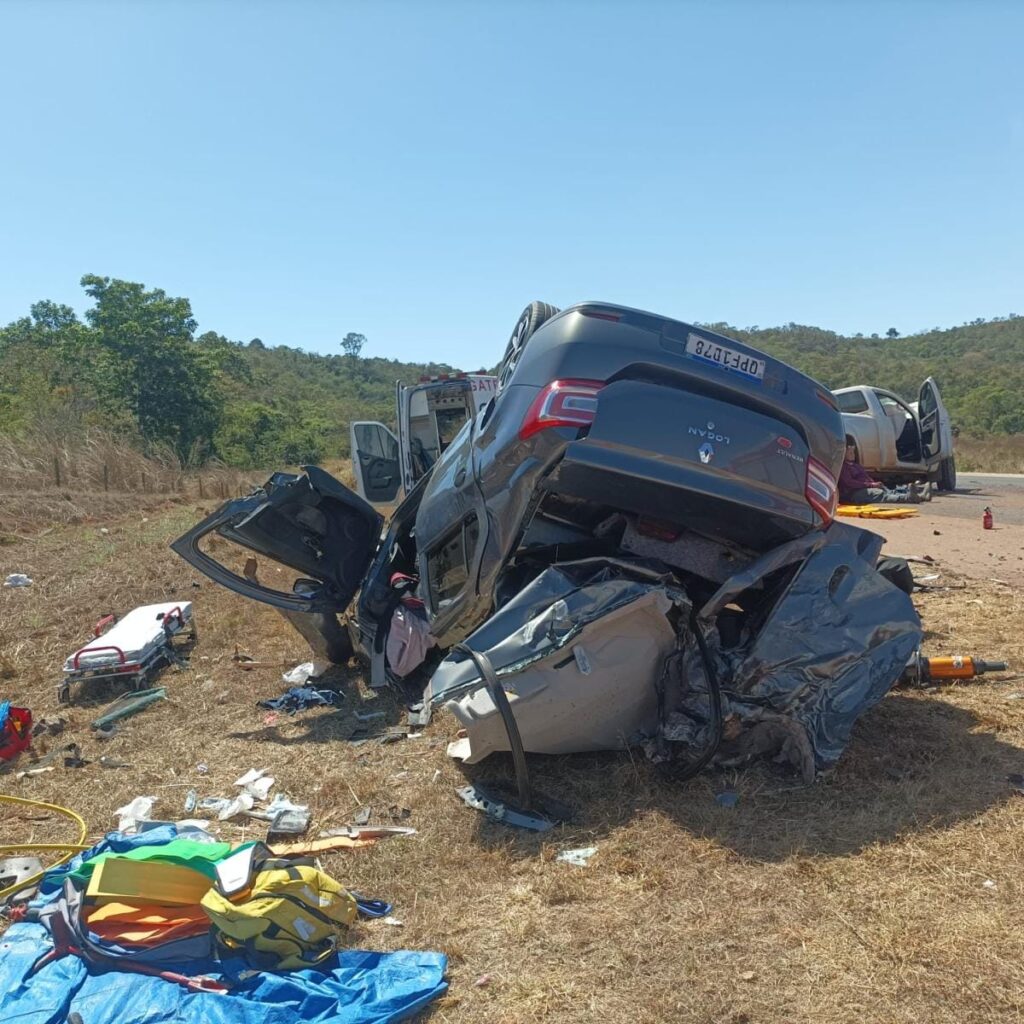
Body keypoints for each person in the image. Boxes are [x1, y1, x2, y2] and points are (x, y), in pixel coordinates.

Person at [838, 436, 929, 504]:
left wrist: (874, 484)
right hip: (855, 493)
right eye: (849, 452)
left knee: (890, 490)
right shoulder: (843, 467)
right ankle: (907, 498)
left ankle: (921, 495)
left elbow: (865, 479)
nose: (852, 454)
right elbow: (849, 483)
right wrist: (871, 485)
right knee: (881, 494)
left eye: (853, 452)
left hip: (866, 487)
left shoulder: (856, 466)